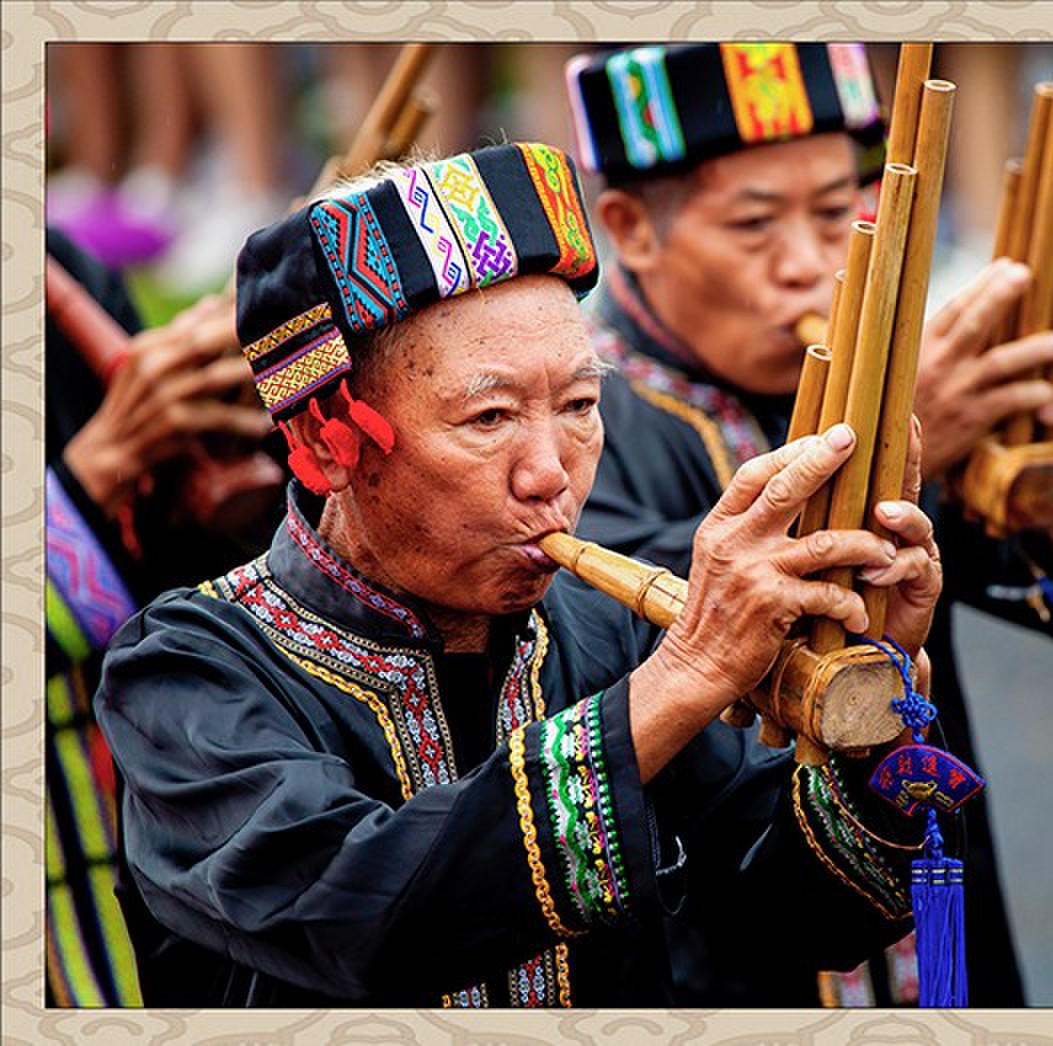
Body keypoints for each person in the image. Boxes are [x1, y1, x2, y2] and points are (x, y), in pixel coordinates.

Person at [94, 141, 949, 1007]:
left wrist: (873, 710)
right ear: (326, 442)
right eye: (490, 416)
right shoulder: (181, 673)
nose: (551, 472)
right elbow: (371, 920)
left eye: (579, 406)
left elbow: (802, 919)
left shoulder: (608, 634)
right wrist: (686, 676)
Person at [565, 41, 1053, 1007]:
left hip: (934, 930)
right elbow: (627, 631)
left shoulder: (921, 385)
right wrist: (889, 426)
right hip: (721, 960)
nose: (806, 264)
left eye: (835, 206)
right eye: (756, 223)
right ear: (633, 228)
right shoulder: (578, 410)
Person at [45, 229, 274, 1006]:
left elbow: (162, 581)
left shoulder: (54, 267)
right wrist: (101, 463)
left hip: (124, 820)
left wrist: (212, 429)